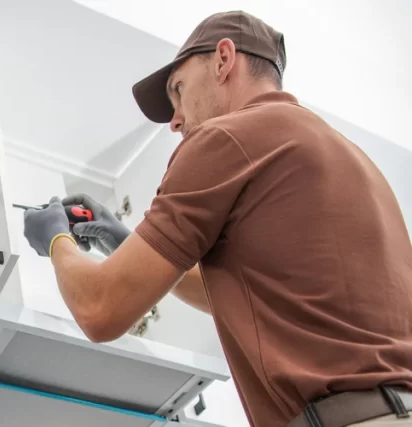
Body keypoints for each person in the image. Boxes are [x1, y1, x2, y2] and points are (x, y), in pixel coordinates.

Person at [22, 11, 412, 427]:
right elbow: (251, 296)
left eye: (178, 89)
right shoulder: (355, 163)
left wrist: (55, 240)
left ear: (224, 59)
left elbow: (100, 309)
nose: (174, 121)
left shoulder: (226, 138)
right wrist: (127, 242)